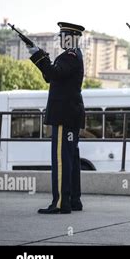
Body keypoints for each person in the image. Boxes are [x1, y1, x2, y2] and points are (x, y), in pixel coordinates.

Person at [29, 22, 86, 214]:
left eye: (63, 36)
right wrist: (42, 58)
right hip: (70, 113)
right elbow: (51, 76)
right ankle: (73, 200)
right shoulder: (72, 55)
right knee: (70, 159)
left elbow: (54, 72)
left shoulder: (69, 56)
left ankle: (61, 202)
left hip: (64, 114)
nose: (60, 39)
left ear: (71, 38)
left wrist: (37, 55)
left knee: (62, 160)